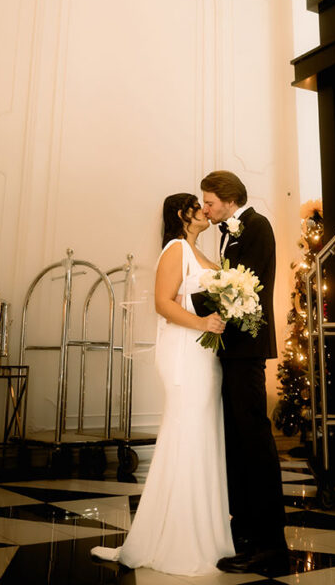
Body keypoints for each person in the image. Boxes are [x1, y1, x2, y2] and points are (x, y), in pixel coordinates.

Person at [91, 193, 234, 575]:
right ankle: (176, 540)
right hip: (186, 354)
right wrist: (203, 323)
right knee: (186, 435)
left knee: (203, 437)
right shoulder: (175, 249)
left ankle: (208, 534)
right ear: (181, 214)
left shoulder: (201, 252)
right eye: (198, 205)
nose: (205, 211)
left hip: (207, 354)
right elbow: (162, 303)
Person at [199, 170, 289, 577]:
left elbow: (241, 288)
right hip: (231, 348)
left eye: (210, 203)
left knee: (253, 440)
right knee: (236, 441)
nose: (205, 209)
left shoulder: (256, 226)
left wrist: (190, 300)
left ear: (229, 199)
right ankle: (247, 535)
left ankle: (271, 544)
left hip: (248, 349)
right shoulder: (229, 229)